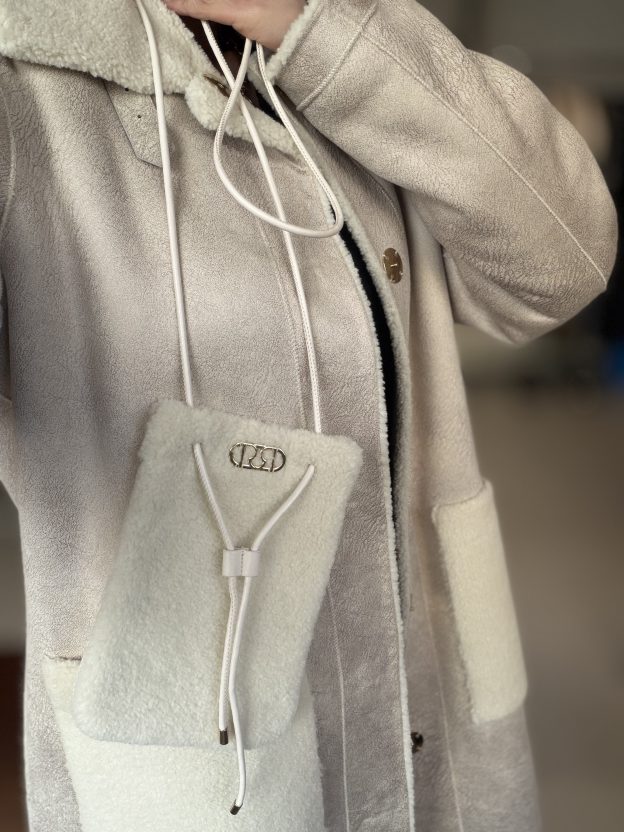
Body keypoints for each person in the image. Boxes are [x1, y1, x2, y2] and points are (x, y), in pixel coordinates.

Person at [0, 1, 617, 831]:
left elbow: (564, 261)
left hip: (428, 699)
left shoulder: (345, 39)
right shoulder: (26, 87)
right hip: (197, 752)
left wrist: (323, 30)